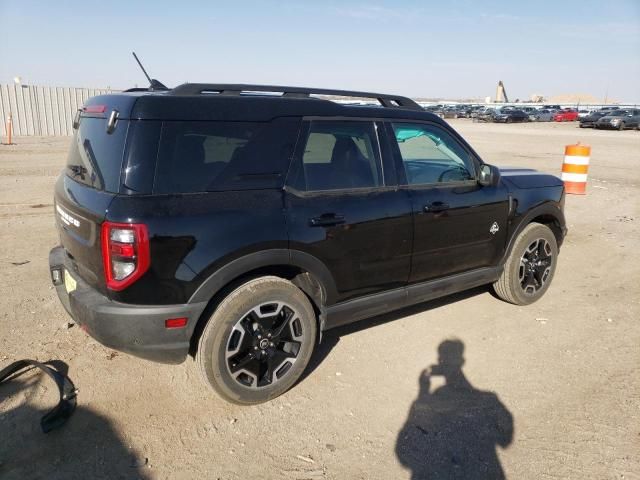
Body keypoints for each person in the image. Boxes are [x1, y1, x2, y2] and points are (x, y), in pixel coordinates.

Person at [396, 339, 513, 479]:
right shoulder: (489, 400)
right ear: (462, 361)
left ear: (440, 361)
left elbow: (405, 453)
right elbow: (505, 439)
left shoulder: (435, 399)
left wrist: (423, 392)